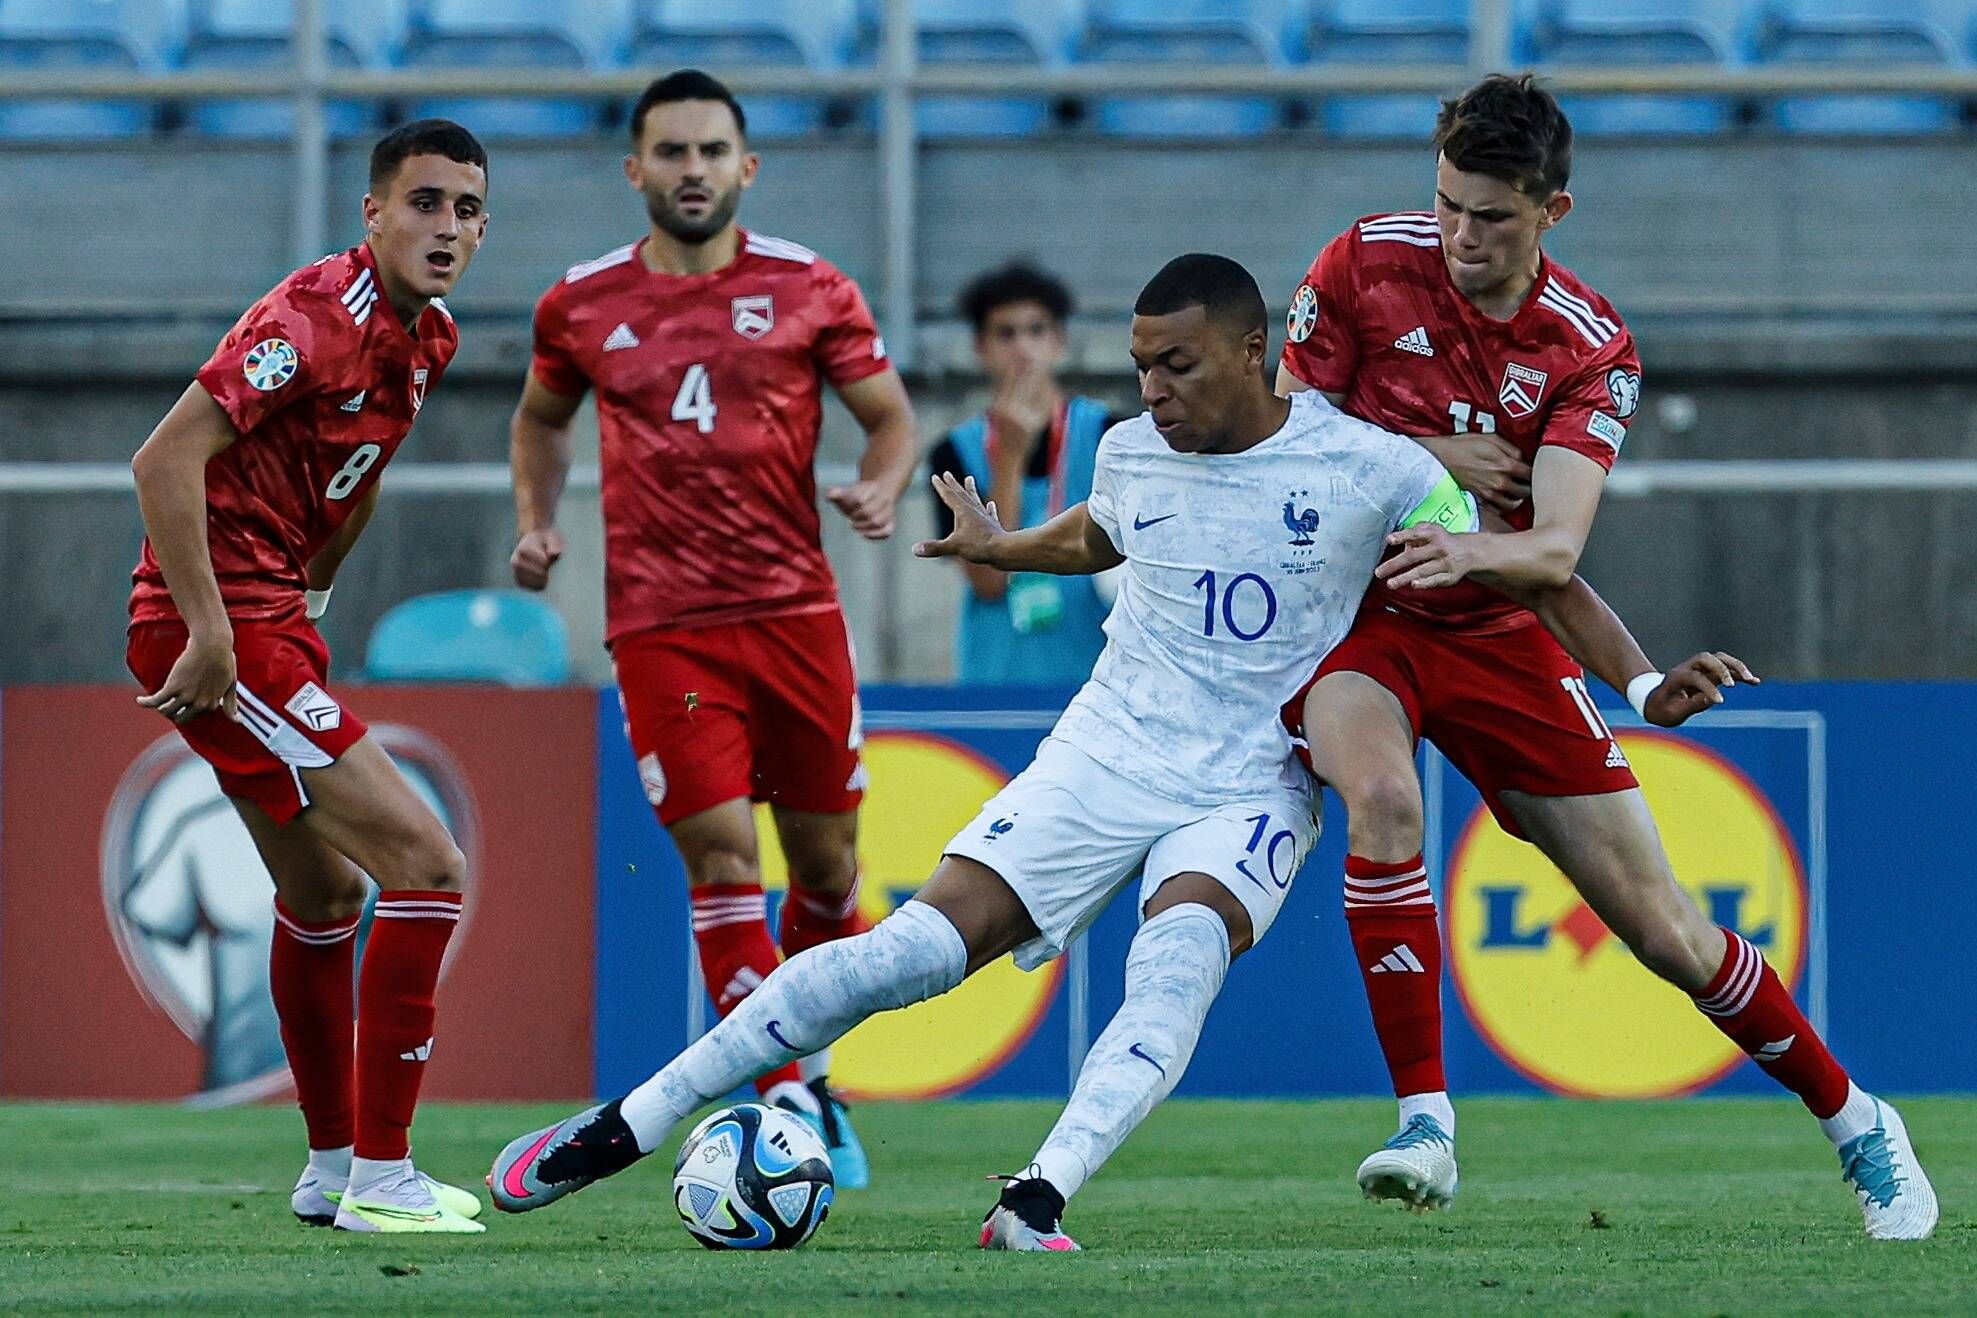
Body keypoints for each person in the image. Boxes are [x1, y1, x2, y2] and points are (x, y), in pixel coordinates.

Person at [484, 253, 1482, 1244]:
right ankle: (628, 1122)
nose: (1153, 389)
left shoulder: (1368, 465)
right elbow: (1105, 533)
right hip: (1108, 749)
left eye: (1177, 363)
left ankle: (1035, 1197)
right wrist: (1004, 545)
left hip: (1254, 783)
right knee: (902, 953)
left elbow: (1474, 550)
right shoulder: (1133, 449)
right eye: (1141, 365)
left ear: (1250, 351)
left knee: (1176, 962)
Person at [1278, 73, 1935, 1240]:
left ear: (1552, 213)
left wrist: (1636, 682)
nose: (1460, 238)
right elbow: (1276, 434)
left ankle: (1858, 1120)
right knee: (1381, 798)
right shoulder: (1360, 264)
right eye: (1446, 206)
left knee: (1668, 932)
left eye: (1491, 217)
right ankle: (1426, 1123)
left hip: (1495, 633)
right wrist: (1434, 450)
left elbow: (1556, 546)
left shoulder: (1589, 346)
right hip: (1356, 618)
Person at [506, 70, 919, 1187]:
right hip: (663, 625)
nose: (693, 170)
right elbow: (540, 417)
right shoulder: (580, 303)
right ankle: (787, 1093)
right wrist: (537, 523)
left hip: (795, 615)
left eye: (711, 151)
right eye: (672, 152)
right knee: (726, 862)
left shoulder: (810, 288)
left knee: (828, 870)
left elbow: (890, 420)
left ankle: (810, 1062)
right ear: (635, 168)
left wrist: (882, 487)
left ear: (748, 165)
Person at [125, 120, 492, 1234]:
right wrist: (213, 629)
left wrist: (313, 594)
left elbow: (358, 472)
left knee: (325, 895)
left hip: (274, 615)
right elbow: (163, 457)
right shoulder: (310, 320)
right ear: (373, 211)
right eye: (424, 203)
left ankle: (332, 1168)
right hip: (222, 625)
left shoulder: (428, 341)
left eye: (467, 210)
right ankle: (386, 1174)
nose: (447, 229)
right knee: (428, 860)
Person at [928, 263, 1123, 683]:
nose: (1022, 348)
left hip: (1097, 682)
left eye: (1036, 330)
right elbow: (989, 583)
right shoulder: (953, 453)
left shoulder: (1111, 435)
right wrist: (1010, 460)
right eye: (1006, 333)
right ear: (980, 346)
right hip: (995, 682)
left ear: (1059, 341)